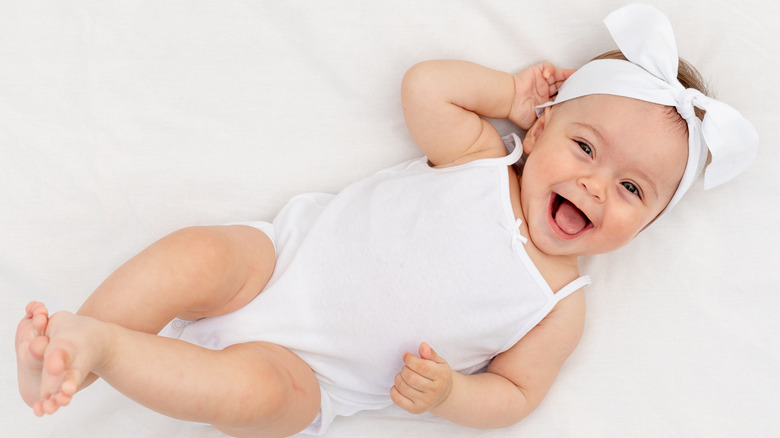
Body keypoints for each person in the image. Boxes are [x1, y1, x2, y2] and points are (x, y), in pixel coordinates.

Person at [15, 4, 757, 437]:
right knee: (197, 254)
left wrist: (451, 396)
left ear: (650, 222)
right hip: (277, 265)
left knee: (258, 399)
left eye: (632, 188)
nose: (595, 186)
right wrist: (507, 93)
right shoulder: (480, 158)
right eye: (584, 146)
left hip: (315, 378)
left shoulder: (559, 306)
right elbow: (425, 87)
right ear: (539, 131)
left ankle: (105, 352)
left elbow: (518, 396)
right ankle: (69, 351)